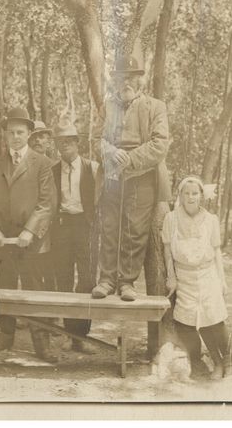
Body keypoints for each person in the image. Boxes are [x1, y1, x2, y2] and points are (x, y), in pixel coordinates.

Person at [97, 51, 172, 301]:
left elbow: (160, 144)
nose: (126, 82)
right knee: (109, 228)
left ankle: (126, 282)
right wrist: (111, 152)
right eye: (121, 78)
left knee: (135, 230)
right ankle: (106, 280)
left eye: (131, 77)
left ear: (140, 80)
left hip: (142, 175)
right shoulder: (107, 106)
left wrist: (130, 158)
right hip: (111, 174)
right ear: (116, 81)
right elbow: (94, 139)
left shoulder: (156, 107)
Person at [0, 107, 57, 354]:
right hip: (4, 239)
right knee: (5, 286)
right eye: (11, 132)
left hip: (31, 241)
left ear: (28, 134)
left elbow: (46, 203)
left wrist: (29, 231)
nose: (15, 137)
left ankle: (41, 342)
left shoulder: (42, 163)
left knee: (34, 288)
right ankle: (6, 337)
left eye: (20, 132)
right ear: (5, 135)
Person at [163, 176, 231, 380]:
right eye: (186, 193)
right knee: (186, 322)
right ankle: (208, 361)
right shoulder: (171, 219)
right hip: (184, 277)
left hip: (207, 274)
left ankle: (228, 362)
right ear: (180, 195)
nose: (190, 197)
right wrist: (171, 278)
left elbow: (216, 251)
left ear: (201, 195)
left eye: (194, 193)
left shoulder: (211, 220)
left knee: (214, 319)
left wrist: (222, 279)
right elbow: (167, 252)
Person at [48, 123, 100, 346]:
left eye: (69, 140)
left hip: (85, 226)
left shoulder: (92, 168)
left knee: (87, 278)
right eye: (61, 141)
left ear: (78, 143)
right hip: (62, 226)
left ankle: (82, 335)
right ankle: (71, 334)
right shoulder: (52, 171)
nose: (65, 144)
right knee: (63, 279)